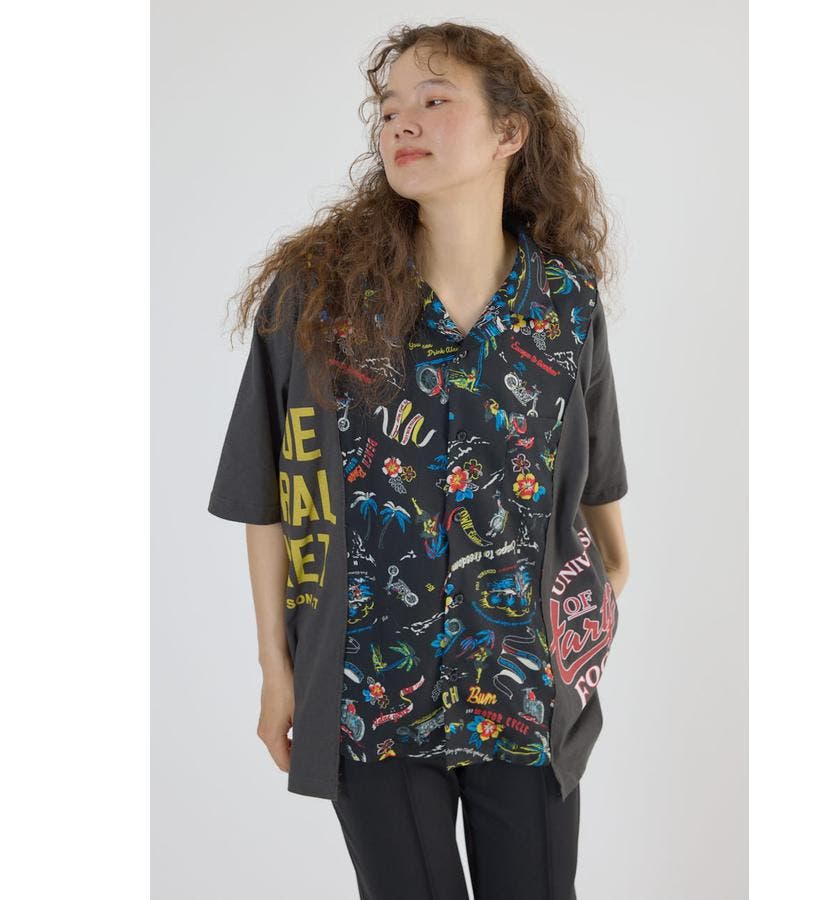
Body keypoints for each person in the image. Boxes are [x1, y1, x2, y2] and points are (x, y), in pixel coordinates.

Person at [208, 21, 630, 900]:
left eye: (435, 101)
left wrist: (596, 599)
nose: (402, 121)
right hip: (369, 692)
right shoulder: (316, 298)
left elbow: (597, 490)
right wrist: (278, 674)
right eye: (390, 106)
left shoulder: (564, 303)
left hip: (525, 690)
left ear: (509, 132)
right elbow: (266, 495)